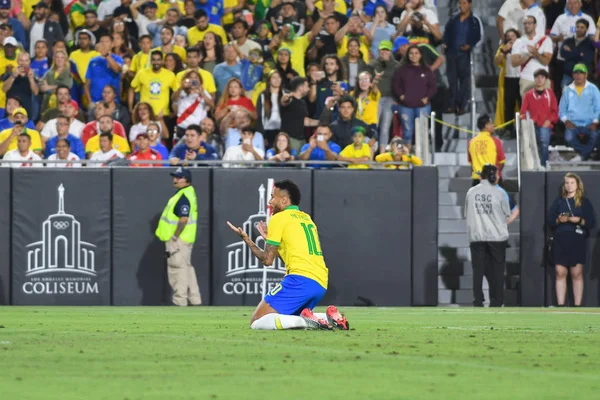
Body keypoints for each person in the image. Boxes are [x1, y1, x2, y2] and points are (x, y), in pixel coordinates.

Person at [227, 179, 349, 330]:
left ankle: (310, 321)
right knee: (287, 317)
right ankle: (329, 319)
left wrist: (246, 239)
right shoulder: (306, 218)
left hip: (300, 280)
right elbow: (292, 255)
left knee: (257, 321)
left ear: (284, 200)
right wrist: (273, 242)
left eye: (272, 197)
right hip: (320, 282)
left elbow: (267, 260)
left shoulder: (279, 218)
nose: (270, 201)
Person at [547, 172, 596, 307]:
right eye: (567, 183)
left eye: (572, 183)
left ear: (578, 184)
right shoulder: (559, 201)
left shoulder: (584, 202)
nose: (569, 185)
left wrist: (579, 220)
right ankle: (561, 304)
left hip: (577, 240)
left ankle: (577, 305)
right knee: (560, 272)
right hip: (560, 239)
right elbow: (550, 220)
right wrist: (559, 220)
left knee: (576, 273)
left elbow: (591, 223)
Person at [464, 164, 510, 307]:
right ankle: (497, 300)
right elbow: (507, 213)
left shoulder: (471, 192)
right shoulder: (500, 193)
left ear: (481, 176)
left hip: (477, 236)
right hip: (496, 237)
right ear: (494, 176)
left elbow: (466, 213)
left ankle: (478, 300)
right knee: (497, 270)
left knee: (478, 270)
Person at [155, 167, 202, 306]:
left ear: (186, 180)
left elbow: (183, 219)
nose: (175, 179)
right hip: (186, 238)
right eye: (174, 177)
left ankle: (180, 301)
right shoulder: (187, 193)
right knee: (187, 268)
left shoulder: (183, 196)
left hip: (179, 239)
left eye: (178, 177)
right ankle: (195, 300)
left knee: (177, 269)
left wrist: (175, 236)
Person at [442, 0, 482, 115]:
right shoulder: (454, 19)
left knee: (464, 81)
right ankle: (452, 105)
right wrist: (444, 43)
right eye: (460, 3)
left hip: (464, 55)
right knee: (452, 81)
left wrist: (470, 45)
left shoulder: (474, 20)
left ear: (469, 4)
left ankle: (462, 105)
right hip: (451, 53)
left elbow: (478, 36)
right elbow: (446, 32)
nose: (461, 6)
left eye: (464, 3)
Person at [392, 45, 436, 147]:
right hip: (405, 106)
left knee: (422, 133)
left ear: (420, 55)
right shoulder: (401, 70)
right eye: (411, 53)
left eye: (416, 53)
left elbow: (433, 87)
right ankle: (407, 157)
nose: (414, 55)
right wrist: (401, 96)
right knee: (407, 132)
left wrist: (427, 98)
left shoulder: (427, 70)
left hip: (423, 106)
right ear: (408, 55)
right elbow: (396, 85)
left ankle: (422, 158)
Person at [558, 63, 600, 161]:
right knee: (568, 138)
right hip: (573, 124)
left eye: (581, 73)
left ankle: (581, 157)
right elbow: (561, 110)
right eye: (576, 73)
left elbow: (598, 107)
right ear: (572, 75)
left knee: (594, 136)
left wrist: (595, 121)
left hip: (589, 124)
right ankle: (585, 155)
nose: (578, 75)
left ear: (586, 75)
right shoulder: (568, 90)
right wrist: (567, 121)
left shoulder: (593, 89)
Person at [520, 69, 559, 166]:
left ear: (545, 80)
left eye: (542, 77)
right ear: (534, 79)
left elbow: (555, 112)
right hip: (531, 125)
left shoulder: (550, 94)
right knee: (529, 143)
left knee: (544, 141)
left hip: (545, 124)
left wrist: (549, 120)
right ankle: (533, 165)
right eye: (537, 77)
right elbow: (523, 112)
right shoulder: (528, 95)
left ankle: (543, 165)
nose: (539, 79)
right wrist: (529, 121)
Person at [369, 40, 399, 154]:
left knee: (385, 126)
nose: (384, 52)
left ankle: (382, 153)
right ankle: (372, 151)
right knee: (374, 125)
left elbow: (399, 83)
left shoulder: (396, 65)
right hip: (375, 98)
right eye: (382, 50)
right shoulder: (372, 64)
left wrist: (397, 99)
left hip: (390, 98)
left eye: (386, 50)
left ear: (390, 51)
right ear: (379, 50)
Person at [511, 16, 552, 97]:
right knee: (527, 108)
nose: (527, 25)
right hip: (526, 79)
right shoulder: (518, 42)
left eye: (529, 23)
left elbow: (546, 61)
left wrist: (535, 53)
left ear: (535, 25)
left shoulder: (545, 40)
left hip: (543, 79)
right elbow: (514, 63)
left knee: (544, 107)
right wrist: (526, 56)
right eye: (525, 23)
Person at [129, 50, 176, 118]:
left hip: (163, 114)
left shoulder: (170, 75)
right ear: (150, 61)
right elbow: (131, 88)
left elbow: (176, 93)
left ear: (162, 61)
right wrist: (131, 108)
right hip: (145, 114)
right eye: (153, 60)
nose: (156, 62)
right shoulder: (142, 73)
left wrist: (175, 111)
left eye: (158, 60)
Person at [280, 76, 319, 151]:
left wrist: (321, 122)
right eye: (307, 86)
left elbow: (305, 121)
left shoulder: (302, 102)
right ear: (300, 88)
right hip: (290, 139)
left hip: (301, 140)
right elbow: (284, 102)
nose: (308, 89)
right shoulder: (290, 100)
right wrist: (285, 98)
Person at [84, 34, 124, 105]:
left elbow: (117, 70)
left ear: (112, 45)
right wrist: (90, 102)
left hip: (113, 103)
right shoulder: (93, 61)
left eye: (106, 42)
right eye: (101, 42)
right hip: (95, 102)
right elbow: (87, 84)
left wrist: (106, 55)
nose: (103, 44)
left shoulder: (118, 59)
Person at [468, 115, 506, 186]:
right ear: (486, 126)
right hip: (493, 180)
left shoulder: (471, 142)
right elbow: (502, 162)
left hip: (477, 181)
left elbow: (471, 162)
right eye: (491, 123)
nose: (493, 125)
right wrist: (495, 175)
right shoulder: (495, 141)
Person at [560, 18, 595, 87]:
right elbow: (562, 53)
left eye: (582, 27)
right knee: (565, 96)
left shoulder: (590, 43)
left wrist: (571, 52)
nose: (579, 29)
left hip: (582, 77)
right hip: (568, 75)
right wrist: (579, 54)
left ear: (586, 29)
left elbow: (587, 59)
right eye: (577, 27)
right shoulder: (568, 41)